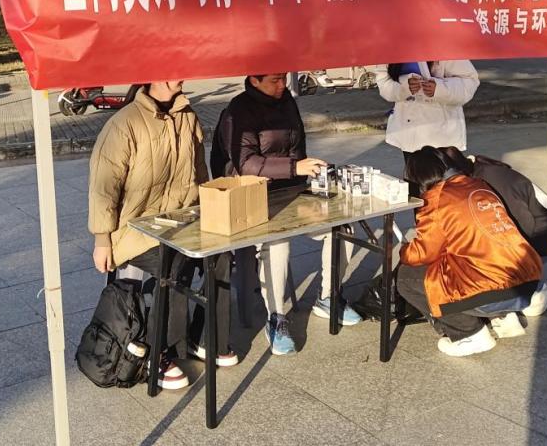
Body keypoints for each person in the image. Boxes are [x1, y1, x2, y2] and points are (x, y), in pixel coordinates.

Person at [88, 81, 234, 391]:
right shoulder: (124, 124)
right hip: (134, 229)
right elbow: (103, 188)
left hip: (181, 222)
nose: (181, 77)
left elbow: (199, 174)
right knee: (173, 263)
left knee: (221, 254)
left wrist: (211, 215)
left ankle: (204, 338)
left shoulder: (188, 116)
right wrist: (102, 240)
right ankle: (159, 352)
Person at [210, 73, 361, 357]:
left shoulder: (287, 101)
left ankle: (329, 296)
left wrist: (311, 174)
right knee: (277, 241)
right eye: (274, 80)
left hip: (293, 191)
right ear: (254, 80)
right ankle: (276, 318)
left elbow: (298, 149)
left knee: (342, 226)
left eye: (283, 79)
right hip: (253, 198)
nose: (282, 85)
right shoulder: (237, 111)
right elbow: (245, 164)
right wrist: (295, 168)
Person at [397, 146, 543, 357]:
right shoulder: (478, 184)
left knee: (407, 277)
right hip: (527, 282)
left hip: (491, 288)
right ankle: (503, 317)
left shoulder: (435, 199)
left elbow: (423, 253)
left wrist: (404, 251)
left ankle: (468, 333)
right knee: (463, 261)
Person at [437, 146, 547, 316]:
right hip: (540, 236)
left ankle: (530, 290)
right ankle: (517, 291)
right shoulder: (482, 169)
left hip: (540, 243)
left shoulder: (478, 184)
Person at [374, 60, 479, 180]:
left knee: (449, 185)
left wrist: (439, 88)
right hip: (409, 132)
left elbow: (470, 82)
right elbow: (384, 85)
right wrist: (405, 87)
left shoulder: (445, 51)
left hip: (441, 133)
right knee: (416, 184)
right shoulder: (391, 51)